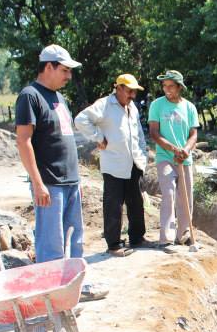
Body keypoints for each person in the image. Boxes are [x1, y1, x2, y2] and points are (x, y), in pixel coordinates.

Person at [15, 44, 84, 263]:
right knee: (51, 244)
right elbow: (23, 141)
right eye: (64, 70)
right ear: (48, 67)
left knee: (75, 240)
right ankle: (52, 290)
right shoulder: (30, 96)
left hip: (71, 181)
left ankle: (75, 284)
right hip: (50, 183)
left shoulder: (59, 98)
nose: (69, 76)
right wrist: (37, 183)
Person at [75, 73, 149, 256]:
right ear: (119, 88)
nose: (132, 95)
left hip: (134, 162)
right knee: (113, 204)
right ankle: (114, 244)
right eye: (129, 91)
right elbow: (80, 120)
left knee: (136, 203)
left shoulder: (132, 107)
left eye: (134, 92)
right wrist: (98, 137)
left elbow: (138, 132)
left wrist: (143, 152)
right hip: (114, 164)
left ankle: (137, 238)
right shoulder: (105, 105)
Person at [147, 70, 198, 247]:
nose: (166, 89)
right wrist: (172, 148)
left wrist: (185, 150)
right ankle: (166, 236)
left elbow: (193, 134)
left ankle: (183, 234)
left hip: (184, 158)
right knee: (168, 193)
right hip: (165, 156)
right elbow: (154, 132)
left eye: (170, 86)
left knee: (186, 197)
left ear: (179, 87)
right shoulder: (157, 105)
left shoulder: (189, 107)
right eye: (164, 86)